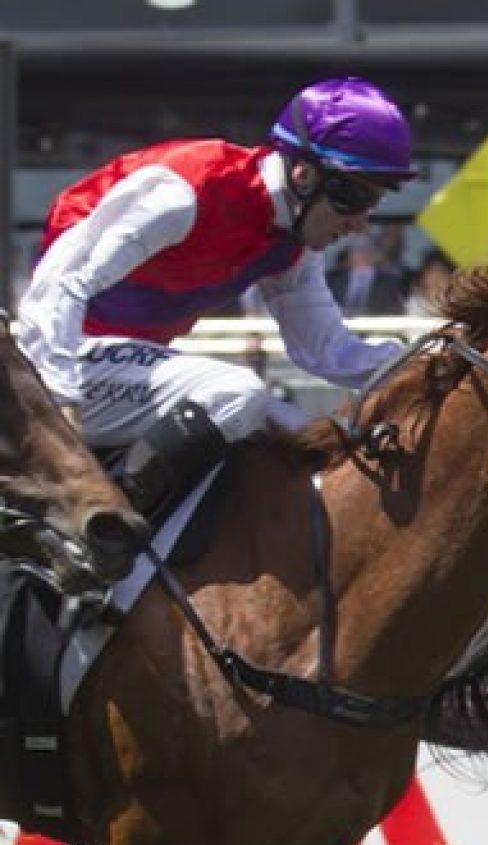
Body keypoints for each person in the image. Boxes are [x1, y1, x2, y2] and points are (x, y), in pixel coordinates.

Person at [17, 76, 417, 517]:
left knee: (305, 433)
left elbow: (325, 350)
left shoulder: (293, 243)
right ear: (305, 175)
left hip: (117, 374)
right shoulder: (183, 191)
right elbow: (58, 285)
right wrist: (60, 401)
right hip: (50, 371)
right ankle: (96, 524)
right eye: (356, 198)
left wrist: (425, 364)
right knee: (234, 393)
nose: (361, 223)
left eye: (374, 203)